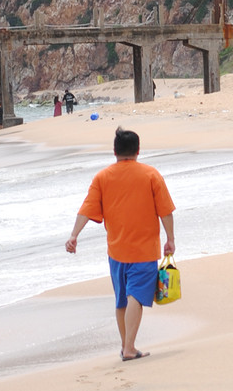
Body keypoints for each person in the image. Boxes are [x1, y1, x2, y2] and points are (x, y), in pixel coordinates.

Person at [65, 127, 175, 361]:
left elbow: (86, 210)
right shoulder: (151, 174)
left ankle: (126, 346)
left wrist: (74, 235)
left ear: (114, 151)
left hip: (116, 250)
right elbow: (165, 211)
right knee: (137, 296)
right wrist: (170, 239)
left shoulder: (102, 177)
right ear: (138, 150)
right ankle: (129, 348)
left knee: (122, 299)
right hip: (144, 250)